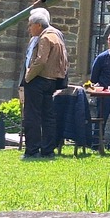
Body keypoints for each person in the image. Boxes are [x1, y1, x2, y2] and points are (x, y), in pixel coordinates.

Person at [21, 9, 69, 159]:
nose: (29, 28)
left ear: (38, 25)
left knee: (32, 116)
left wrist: (28, 76)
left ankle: (32, 150)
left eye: (30, 25)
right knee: (48, 116)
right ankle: (48, 150)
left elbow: (41, 60)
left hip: (38, 80)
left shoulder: (45, 37)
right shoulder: (57, 36)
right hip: (51, 81)